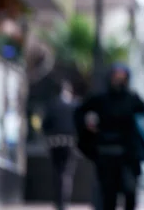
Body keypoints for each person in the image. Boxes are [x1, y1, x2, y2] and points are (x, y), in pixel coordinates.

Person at [74, 63, 144, 210]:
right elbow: (80, 113)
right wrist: (89, 131)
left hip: (129, 157)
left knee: (129, 194)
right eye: (116, 76)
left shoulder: (133, 100)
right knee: (108, 196)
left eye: (122, 77)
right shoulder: (101, 99)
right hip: (106, 155)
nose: (118, 80)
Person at [42, 81, 79, 210]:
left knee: (57, 173)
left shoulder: (52, 105)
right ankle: (64, 202)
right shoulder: (75, 106)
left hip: (54, 143)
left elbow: (45, 125)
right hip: (70, 143)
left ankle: (58, 201)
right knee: (67, 173)